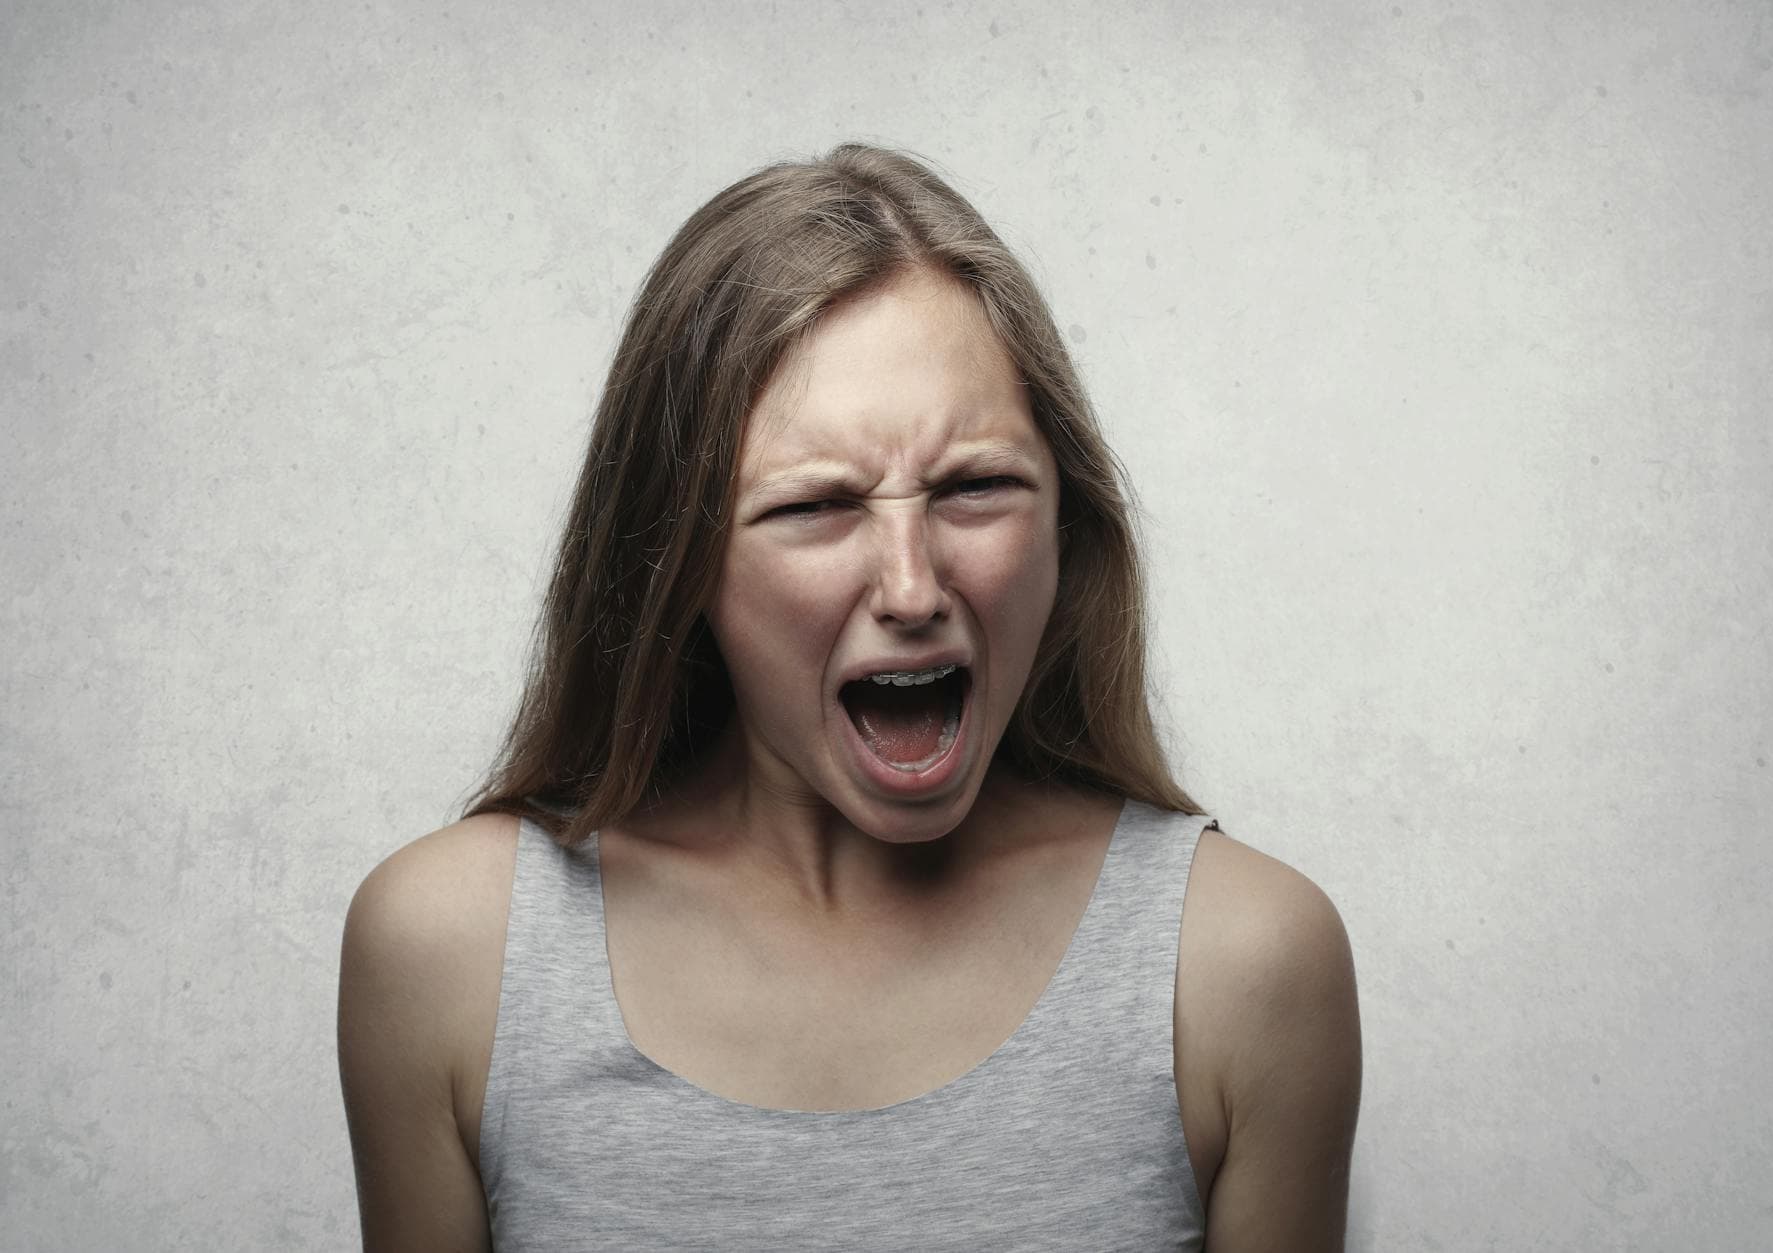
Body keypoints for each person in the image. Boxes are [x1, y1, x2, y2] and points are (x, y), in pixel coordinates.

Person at [337, 143, 1361, 1251]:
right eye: (816, 506)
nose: (913, 588)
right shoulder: (453, 956)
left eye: (977, 485)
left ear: (1066, 527)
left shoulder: (1242, 966)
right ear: (675, 562)